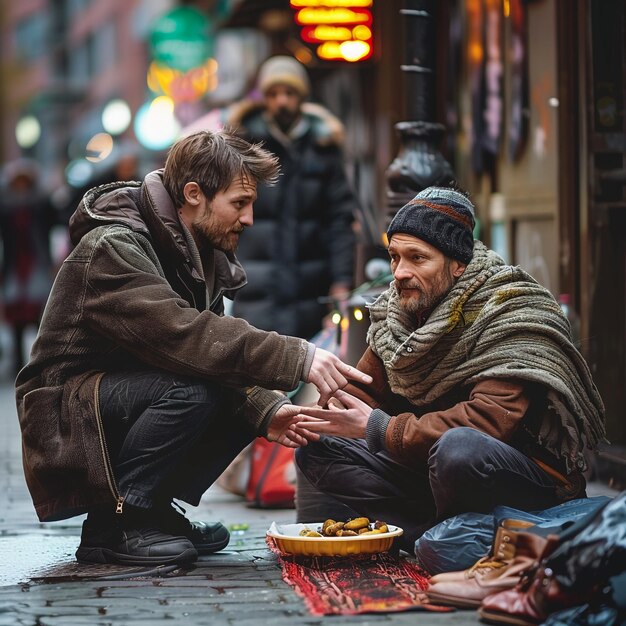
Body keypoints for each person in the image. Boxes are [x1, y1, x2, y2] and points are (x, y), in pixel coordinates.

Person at [15, 130, 371, 567]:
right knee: (192, 389)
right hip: (65, 417)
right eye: (239, 203)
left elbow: (211, 348)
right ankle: (116, 526)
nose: (249, 219)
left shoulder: (195, 249)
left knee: (228, 381)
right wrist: (300, 357)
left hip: (116, 396)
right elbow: (183, 336)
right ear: (193, 195)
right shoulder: (113, 247)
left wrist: (267, 410)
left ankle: (154, 511)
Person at [293, 186, 606, 551]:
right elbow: (363, 392)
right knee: (318, 447)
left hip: (519, 476)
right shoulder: (401, 313)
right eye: (395, 257)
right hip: (433, 468)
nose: (400, 273)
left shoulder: (508, 311)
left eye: (417, 258)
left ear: (459, 263)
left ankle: (453, 536)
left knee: (458, 449)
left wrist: (380, 427)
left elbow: (486, 422)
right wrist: (310, 416)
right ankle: (433, 534)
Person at [226, 55, 359, 339]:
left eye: (289, 93)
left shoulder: (324, 148)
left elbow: (340, 221)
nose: (281, 101)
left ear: (301, 96)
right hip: (256, 288)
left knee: (309, 368)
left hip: (311, 290)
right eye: (273, 94)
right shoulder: (244, 147)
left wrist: (341, 282)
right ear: (264, 98)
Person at [0, 160, 55, 375]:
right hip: (14, 263)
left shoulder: (40, 203)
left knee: (38, 314)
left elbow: (53, 224)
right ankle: (16, 360)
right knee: (16, 315)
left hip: (36, 260)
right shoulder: (5, 205)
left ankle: (40, 359)